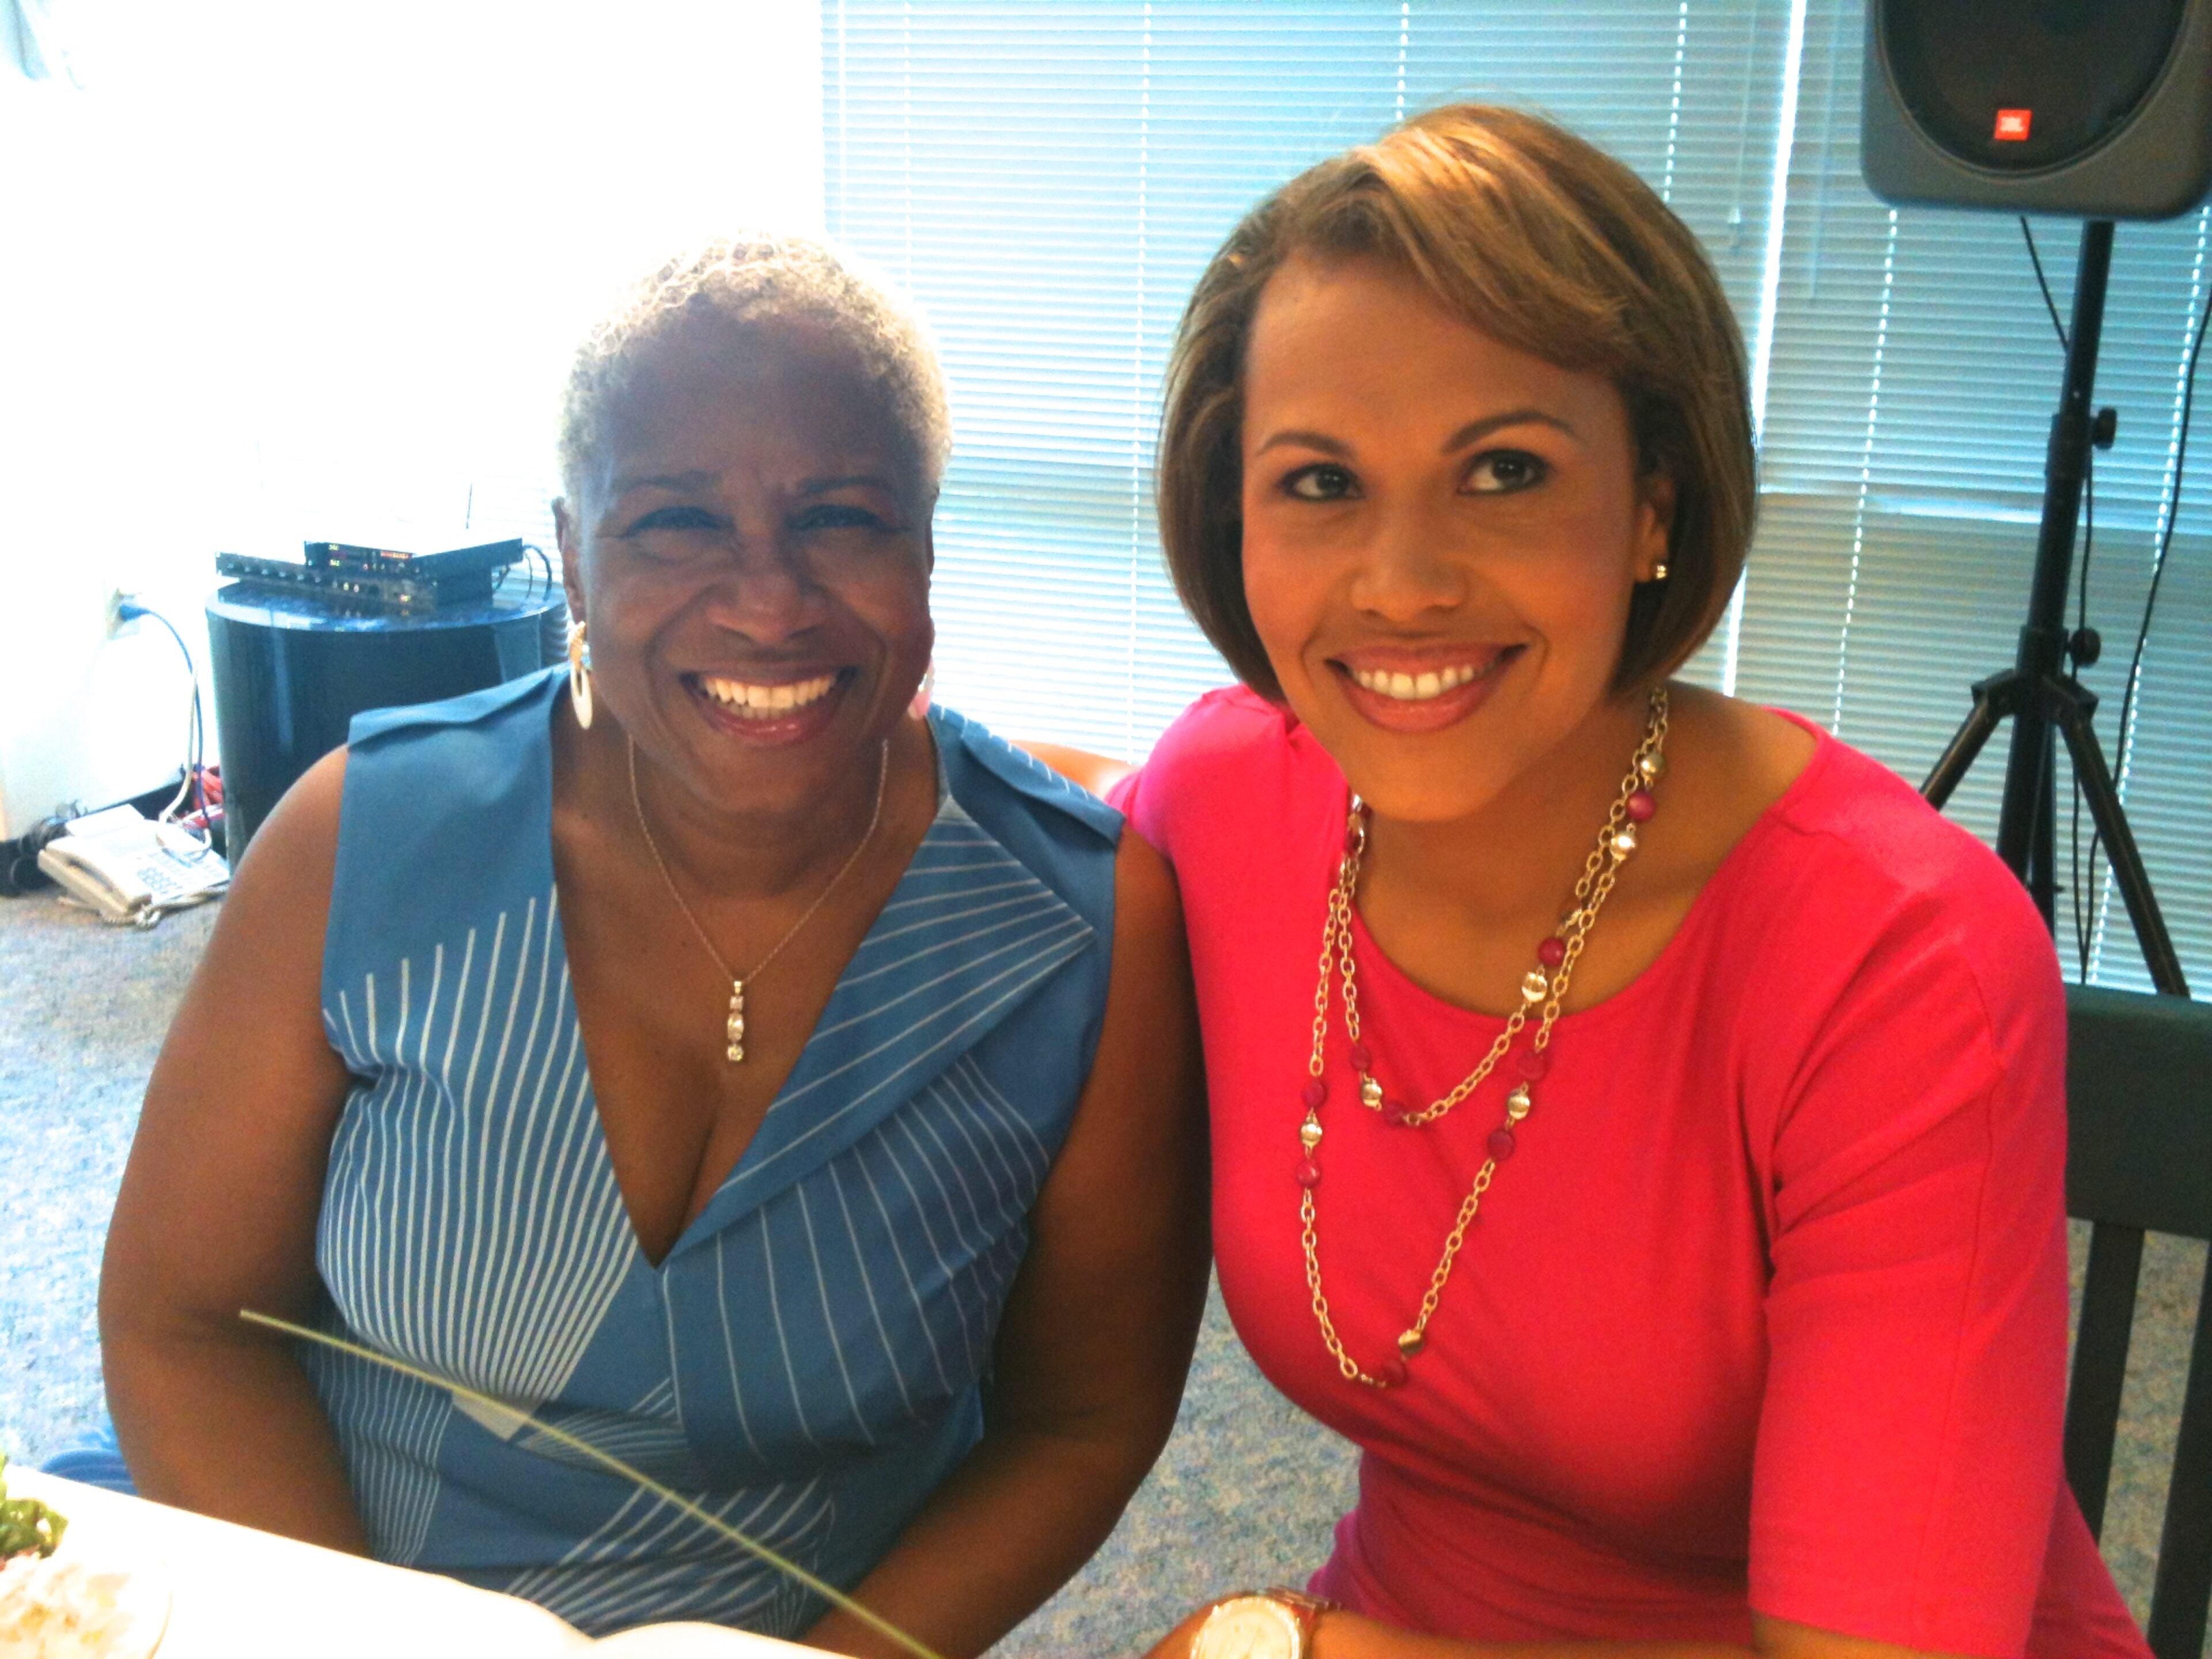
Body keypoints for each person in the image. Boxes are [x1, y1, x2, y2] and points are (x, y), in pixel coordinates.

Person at [1094, 106, 2149, 1658]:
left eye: (1505, 470)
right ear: (1229, 517)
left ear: (1653, 501)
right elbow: (990, 861)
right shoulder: (1223, 801)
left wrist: (1304, 1649)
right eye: (1319, 484)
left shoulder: (1893, 956)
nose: (1401, 581)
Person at [94, 236, 1209, 1656]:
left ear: (927, 542)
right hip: (322, 1594)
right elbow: (183, 1324)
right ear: (570, 548)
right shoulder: (360, 841)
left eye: (843, 518)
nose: (766, 599)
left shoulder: (1081, 926)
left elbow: (1083, 1420)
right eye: (675, 521)